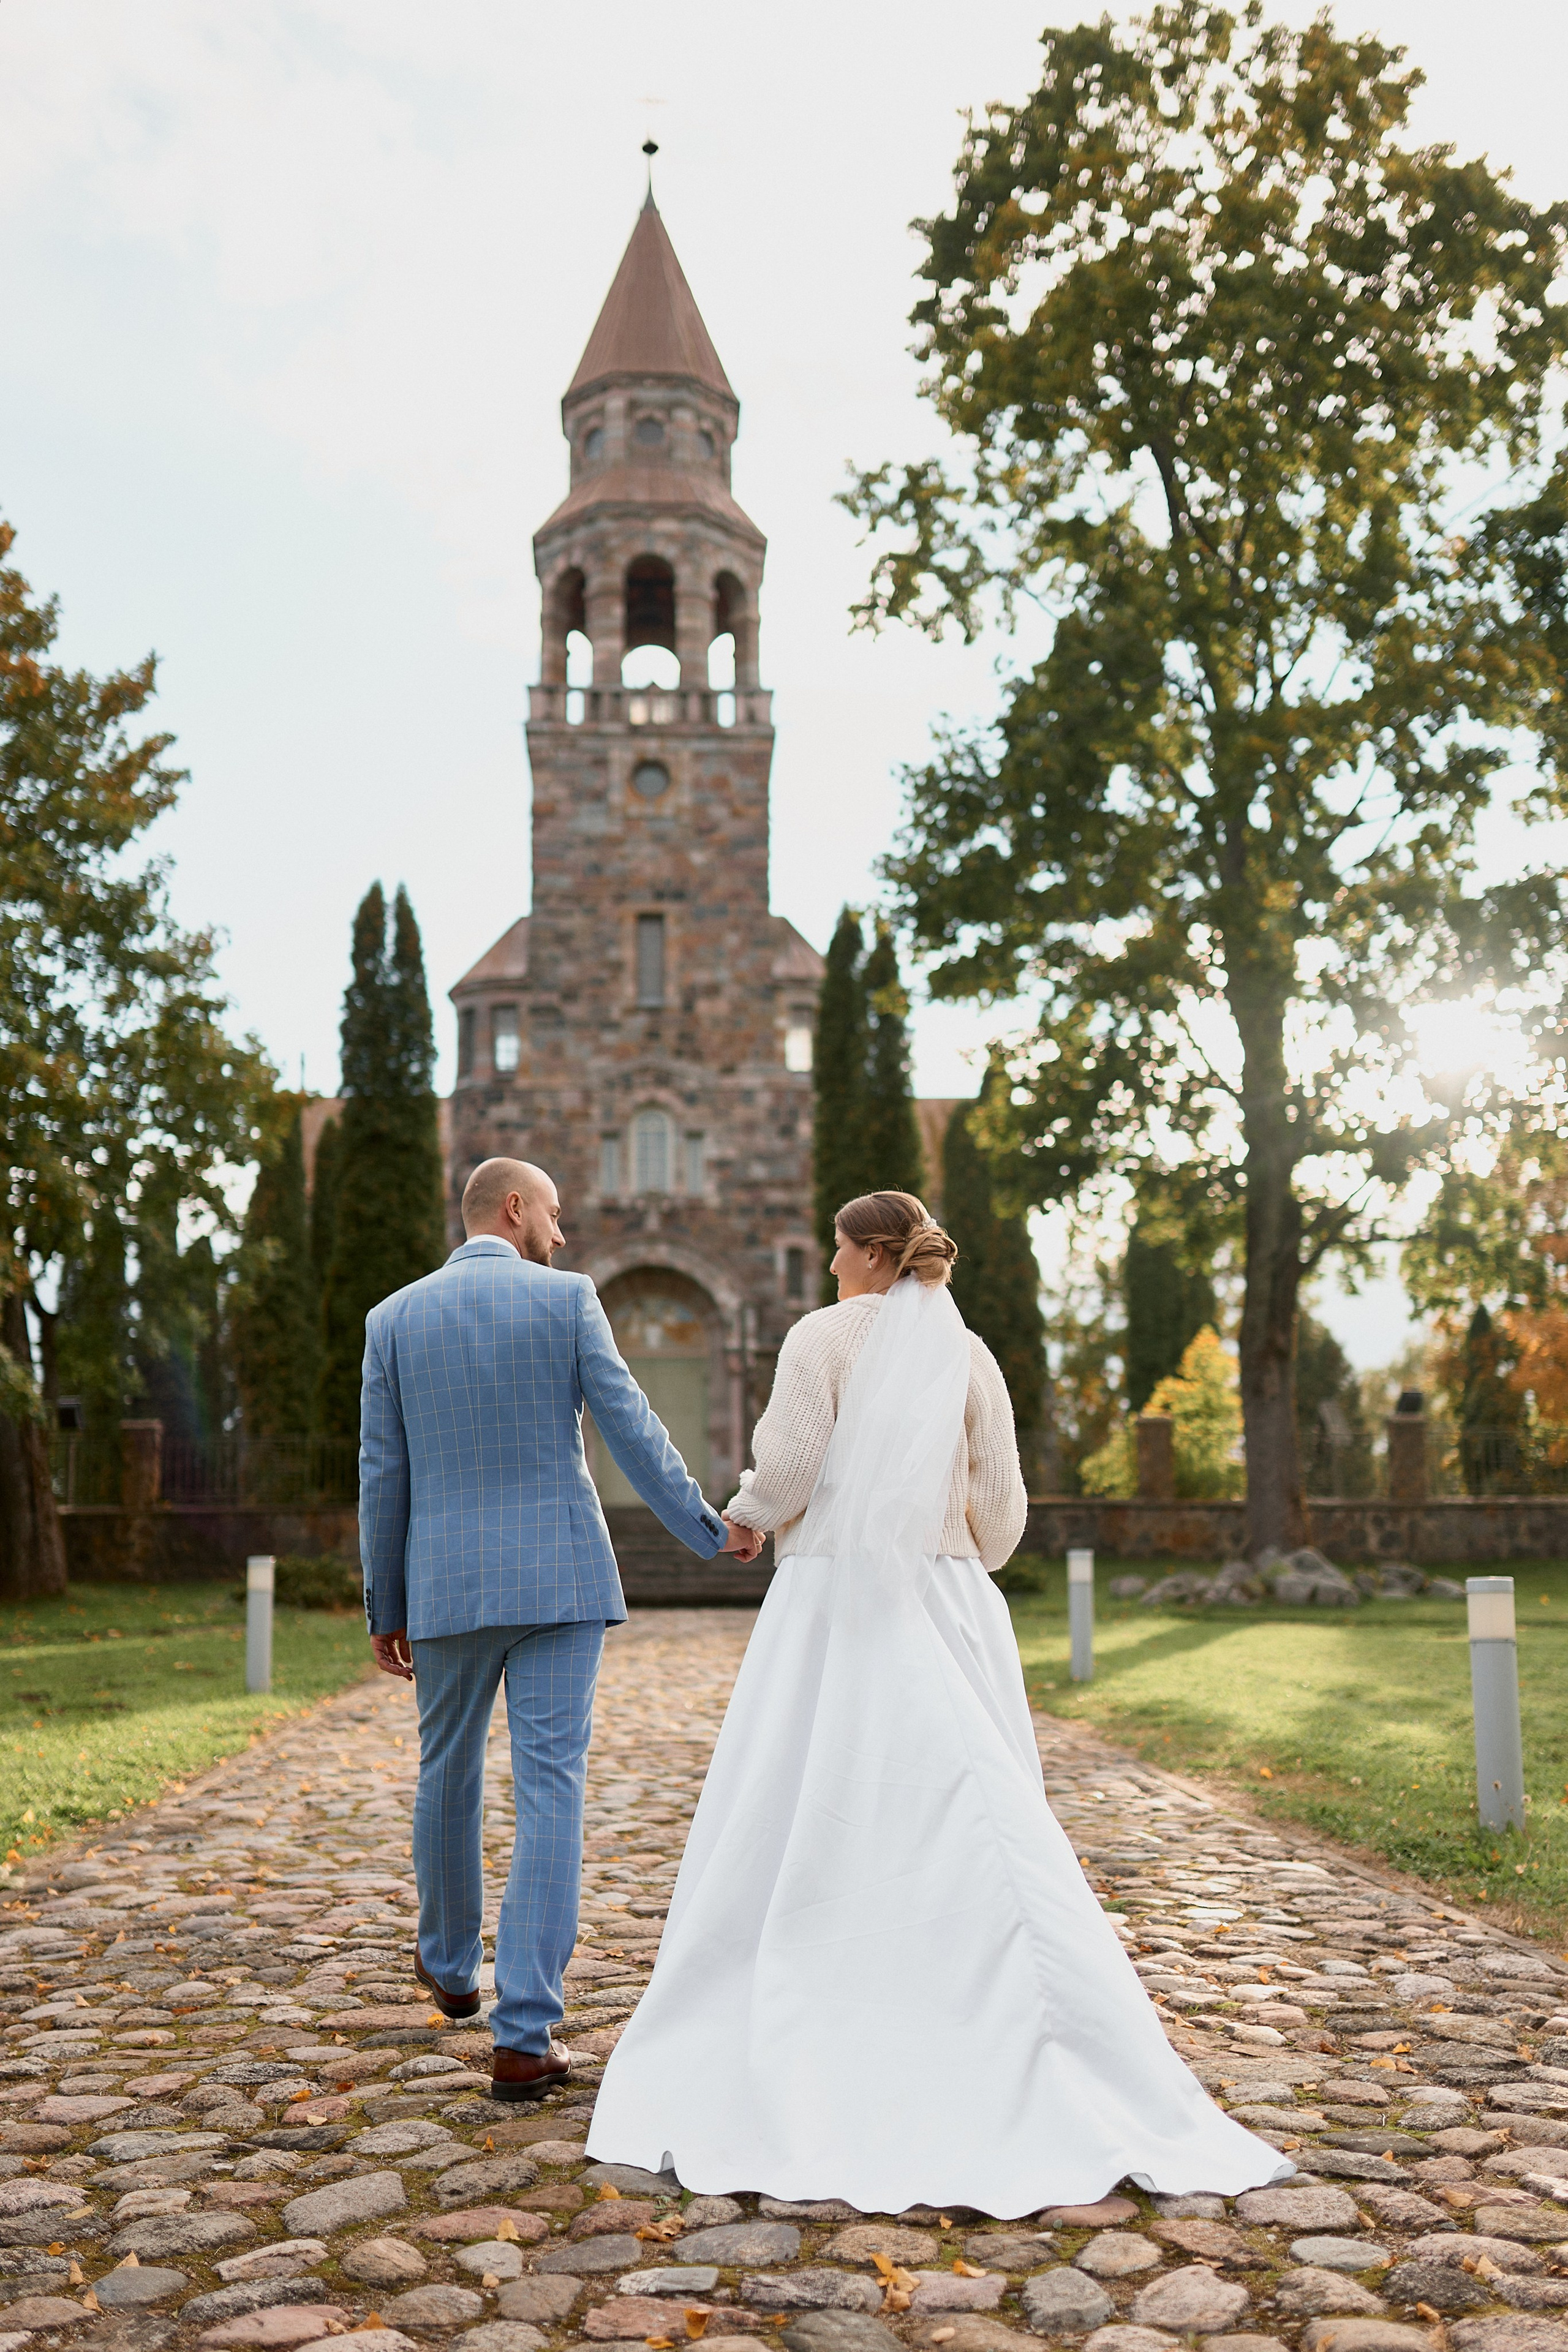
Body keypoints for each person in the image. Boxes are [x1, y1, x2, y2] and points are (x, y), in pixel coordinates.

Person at [587, 1189, 1289, 2210]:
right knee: (971, 1806)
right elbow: (1002, 1516)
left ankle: (828, 1989)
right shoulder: (973, 1355)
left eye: (837, 1250)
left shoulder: (821, 1338)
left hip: (833, 1601)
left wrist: (744, 1521)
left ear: (871, 1254)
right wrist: (948, 1542)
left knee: (810, 1799)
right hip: (950, 1596)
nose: (829, 1267)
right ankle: (993, 2007)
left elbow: (786, 1461)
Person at [358, 1156, 760, 2103]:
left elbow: (383, 1473)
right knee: (551, 1793)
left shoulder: (393, 1320)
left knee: (445, 1771)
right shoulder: (569, 1300)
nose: (563, 1234)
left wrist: (387, 1603)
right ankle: (526, 2032)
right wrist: (711, 1531)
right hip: (561, 1580)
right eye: (553, 1214)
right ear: (514, 1208)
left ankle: (452, 1967)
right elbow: (633, 1426)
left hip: (446, 1585)